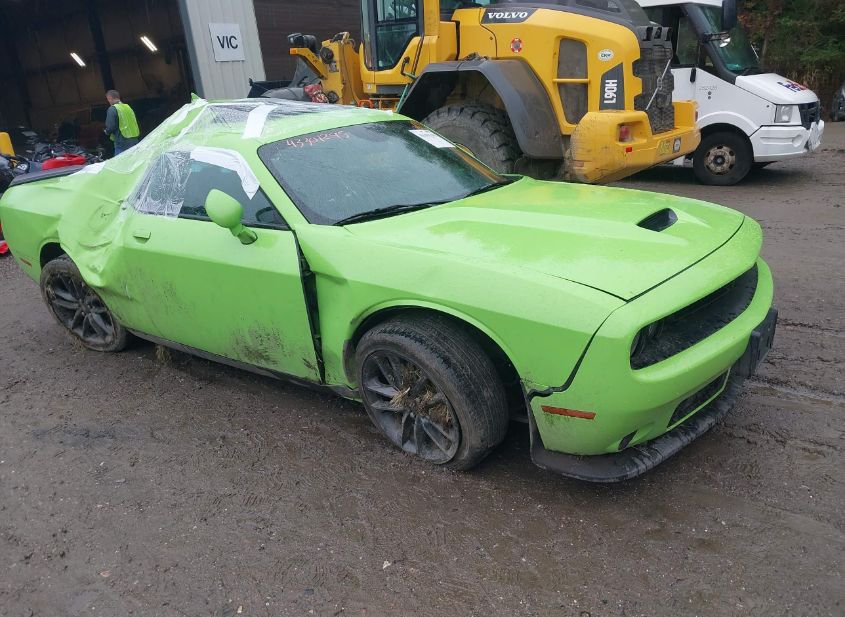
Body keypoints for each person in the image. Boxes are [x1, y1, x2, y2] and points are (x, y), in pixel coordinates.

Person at [104, 90, 140, 155]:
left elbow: (110, 126)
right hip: (134, 139)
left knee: (121, 163)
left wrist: (106, 131)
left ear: (110, 98)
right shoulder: (128, 107)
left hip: (122, 141)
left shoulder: (112, 109)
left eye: (108, 99)